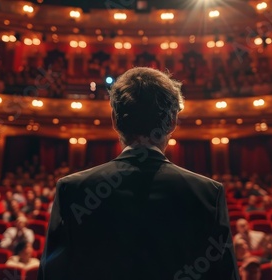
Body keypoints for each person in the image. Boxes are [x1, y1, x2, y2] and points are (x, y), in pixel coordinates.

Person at [39, 67, 238, 279]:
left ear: (115, 121)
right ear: (171, 123)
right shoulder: (208, 194)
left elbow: (52, 275)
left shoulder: (72, 189)